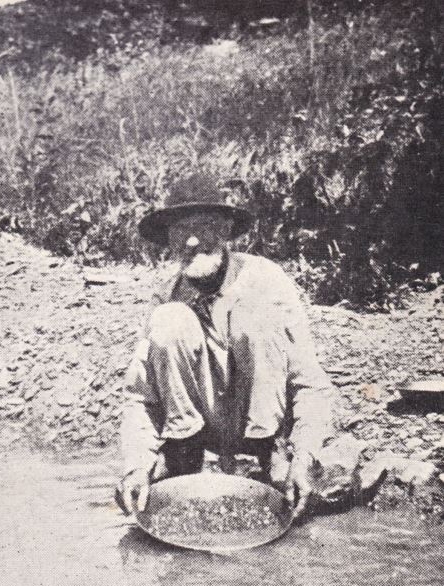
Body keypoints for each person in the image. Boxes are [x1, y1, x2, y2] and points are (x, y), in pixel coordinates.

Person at [116, 173, 336, 521]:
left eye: (203, 227)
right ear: (169, 240)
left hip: (265, 426)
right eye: (179, 231)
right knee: (171, 319)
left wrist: (305, 456)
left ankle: (267, 454)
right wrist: (136, 466)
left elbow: (311, 383)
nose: (190, 241)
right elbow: (140, 397)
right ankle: (183, 456)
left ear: (223, 230)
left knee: (253, 314)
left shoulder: (266, 280)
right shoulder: (166, 296)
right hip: (201, 430)